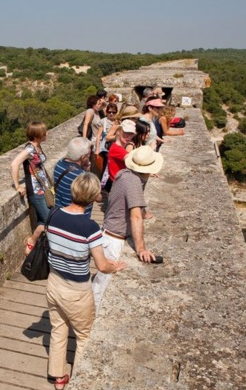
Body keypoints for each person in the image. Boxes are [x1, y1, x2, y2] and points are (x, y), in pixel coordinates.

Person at [27, 173, 126, 390]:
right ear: (92, 198)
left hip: (54, 283)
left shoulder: (53, 215)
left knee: (58, 329)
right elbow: (101, 265)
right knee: (84, 335)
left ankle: (57, 376)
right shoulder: (89, 227)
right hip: (77, 291)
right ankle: (80, 381)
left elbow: (40, 229)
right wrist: (114, 266)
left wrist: (32, 241)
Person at [93, 146, 164, 309]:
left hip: (108, 233)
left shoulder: (124, 173)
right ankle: (89, 321)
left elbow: (132, 204)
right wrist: (141, 249)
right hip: (114, 239)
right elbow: (135, 216)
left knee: (100, 282)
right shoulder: (134, 183)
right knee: (102, 286)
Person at [10, 122, 52, 226]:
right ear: (37, 135)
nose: (47, 134)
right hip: (36, 191)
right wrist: (17, 186)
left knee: (46, 219)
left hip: (43, 188)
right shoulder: (29, 149)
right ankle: (33, 240)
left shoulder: (38, 146)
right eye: (44, 132)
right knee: (48, 220)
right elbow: (14, 164)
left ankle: (36, 240)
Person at [53, 137, 93, 216]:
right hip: (78, 216)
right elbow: (97, 197)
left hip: (60, 211)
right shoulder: (81, 176)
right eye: (88, 155)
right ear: (83, 157)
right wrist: (87, 173)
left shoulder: (59, 164)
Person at [103, 120, 137, 193]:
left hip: (116, 182)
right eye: (126, 133)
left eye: (132, 134)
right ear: (118, 131)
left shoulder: (117, 147)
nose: (129, 137)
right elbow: (132, 160)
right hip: (117, 185)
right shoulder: (117, 149)